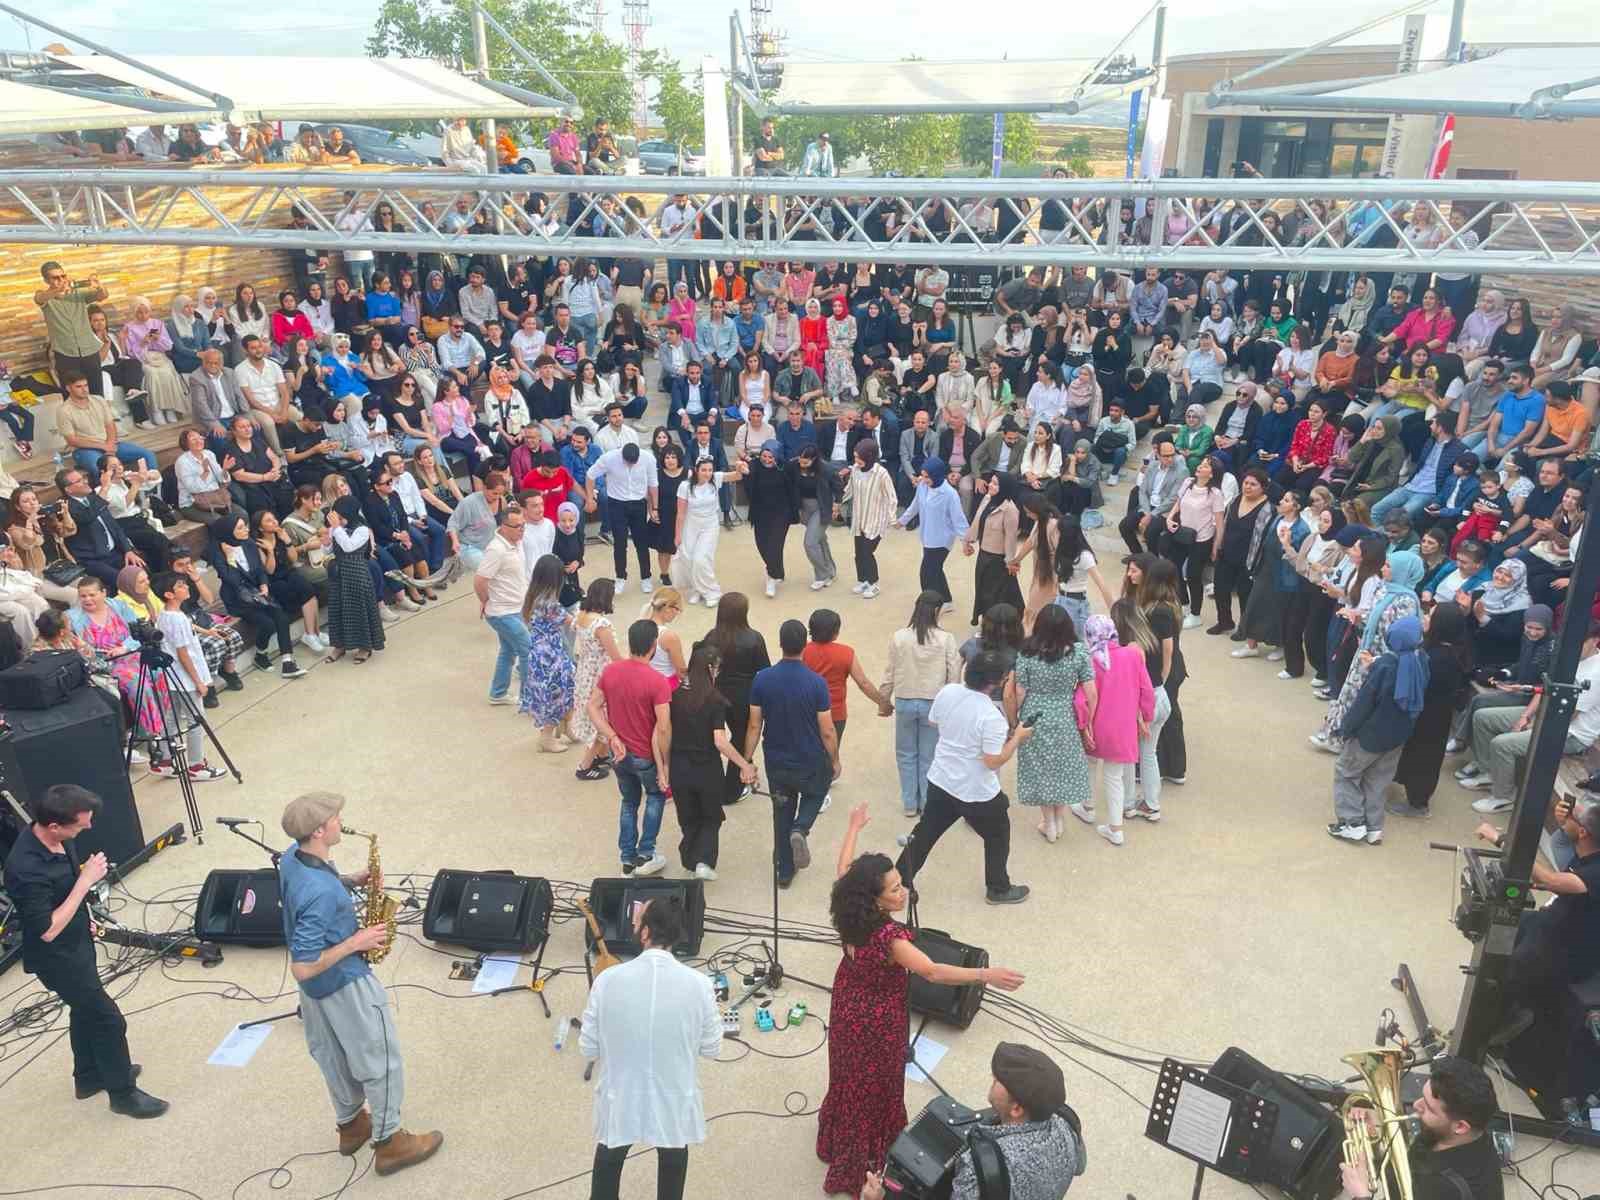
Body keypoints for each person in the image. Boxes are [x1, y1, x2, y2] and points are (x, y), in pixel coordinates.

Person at [820, 804, 1026, 1198]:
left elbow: (844, 865)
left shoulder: (849, 904)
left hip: (847, 1004)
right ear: (876, 900)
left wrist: (853, 826)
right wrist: (987, 974)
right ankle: (864, 1160)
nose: (903, 891)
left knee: (850, 1078)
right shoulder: (889, 939)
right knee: (874, 1084)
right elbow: (932, 971)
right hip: (877, 1018)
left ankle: (839, 1140)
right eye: (895, 889)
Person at [277, 793, 442, 1174]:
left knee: (332, 1055)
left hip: (316, 995)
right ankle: (391, 1142)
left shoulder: (293, 857)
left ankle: (352, 1125)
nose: (341, 822)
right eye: (336, 818)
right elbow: (302, 966)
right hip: (344, 981)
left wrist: (352, 880)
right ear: (320, 830)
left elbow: (312, 892)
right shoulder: (319, 892)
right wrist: (357, 941)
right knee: (381, 1058)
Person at [3, 784, 169, 1118]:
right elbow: (47, 930)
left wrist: (86, 917)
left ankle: (89, 1077)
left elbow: (63, 895)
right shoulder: (25, 869)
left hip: (78, 942)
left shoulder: (62, 839)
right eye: (80, 824)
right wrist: (86, 880)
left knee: (84, 1011)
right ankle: (123, 1094)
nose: (87, 828)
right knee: (107, 1019)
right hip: (57, 959)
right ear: (54, 826)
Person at [578, 895, 720, 1200]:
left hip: (621, 1096)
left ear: (645, 933)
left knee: (609, 1158)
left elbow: (588, 1047)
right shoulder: (700, 985)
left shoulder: (607, 981)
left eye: (637, 917)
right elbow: (711, 1048)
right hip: (674, 1096)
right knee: (673, 1155)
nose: (633, 920)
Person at [895, 644, 1033, 903]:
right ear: (996, 683)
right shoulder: (992, 717)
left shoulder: (948, 692)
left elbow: (935, 721)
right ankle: (998, 888)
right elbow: (993, 761)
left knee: (925, 832)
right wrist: (1018, 738)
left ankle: (898, 881)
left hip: (942, 779)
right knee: (997, 834)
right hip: (976, 790)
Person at [1457, 622, 1600, 814]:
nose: (1573, 647)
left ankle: (1504, 797)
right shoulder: (1570, 657)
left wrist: (1533, 725)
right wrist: (1526, 716)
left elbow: (1568, 715)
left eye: (1580, 642)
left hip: (1571, 734)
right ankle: (1489, 773)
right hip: (1548, 715)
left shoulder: (1596, 673)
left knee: (1502, 744)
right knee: (1483, 718)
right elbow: (1544, 689)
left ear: (1595, 641)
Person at [744, 620, 838, 887]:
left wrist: (747, 759)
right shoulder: (816, 683)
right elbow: (827, 729)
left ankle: (784, 872)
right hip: (809, 758)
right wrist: (834, 759)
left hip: (776, 758)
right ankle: (802, 827)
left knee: (781, 811)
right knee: (817, 791)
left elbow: (754, 724)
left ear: (780, 643)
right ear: (804, 645)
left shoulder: (762, 679)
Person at [1338, 1056, 1503, 1200]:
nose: (1416, 1105)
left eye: (1429, 1108)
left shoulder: (1438, 1188)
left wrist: (1361, 1194)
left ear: (1460, 1126)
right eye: (1423, 1096)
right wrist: (1379, 1126)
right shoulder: (1463, 1134)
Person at [1326, 616, 1428, 845]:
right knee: (1378, 780)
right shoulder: (1420, 659)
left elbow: (1364, 703)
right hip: (1398, 736)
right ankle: (1374, 828)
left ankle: (1351, 823)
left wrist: (1345, 729)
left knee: (1346, 772)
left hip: (1370, 736)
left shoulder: (1385, 666)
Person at [1003, 604, 1096, 845]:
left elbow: (1020, 691)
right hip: (1066, 715)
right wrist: (1089, 721)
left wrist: (1015, 721)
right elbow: (1091, 691)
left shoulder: (1026, 653)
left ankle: (1048, 822)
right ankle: (1059, 817)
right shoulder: (1078, 652)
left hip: (1035, 715)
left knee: (1041, 768)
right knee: (1063, 767)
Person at [589, 618, 674, 876]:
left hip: (620, 754)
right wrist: (665, 766)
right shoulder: (657, 681)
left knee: (629, 802)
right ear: (653, 646)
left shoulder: (612, 671)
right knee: (655, 797)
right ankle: (646, 853)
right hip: (646, 756)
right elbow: (663, 728)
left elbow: (592, 706)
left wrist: (611, 736)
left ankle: (627, 857)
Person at [669, 644, 758, 879]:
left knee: (688, 816)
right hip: (706, 768)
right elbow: (719, 740)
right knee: (711, 815)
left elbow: (663, 732)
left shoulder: (675, 696)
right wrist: (744, 764)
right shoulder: (714, 700)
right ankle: (704, 862)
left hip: (679, 767)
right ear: (711, 669)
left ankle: (689, 859)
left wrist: (662, 765)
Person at [894, 456, 969, 611]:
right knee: (935, 569)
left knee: (927, 573)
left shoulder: (949, 494)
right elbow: (915, 505)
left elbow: (958, 519)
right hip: (927, 535)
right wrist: (902, 521)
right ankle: (946, 601)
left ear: (937, 475)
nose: (923, 478)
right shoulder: (923, 485)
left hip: (942, 540)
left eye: (927, 476)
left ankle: (928, 603)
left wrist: (965, 541)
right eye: (923, 475)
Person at [520, 554, 575, 751]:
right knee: (556, 694)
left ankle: (567, 726)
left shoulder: (533, 596)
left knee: (568, 686)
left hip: (539, 652)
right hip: (550, 656)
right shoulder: (550, 603)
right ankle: (546, 737)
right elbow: (572, 622)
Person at [587, 442, 657, 595]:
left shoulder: (648, 459)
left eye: (634, 462)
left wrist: (654, 508)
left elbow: (653, 484)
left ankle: (646, 577)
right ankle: (620, 577)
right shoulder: (609, 458)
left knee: (641, 542)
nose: (631, 465)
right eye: (628, 462)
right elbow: (590, 475)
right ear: (622, 456)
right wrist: (590, 498)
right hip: (617, 504)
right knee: (620, 543)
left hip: (639, 503)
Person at [321, 497, 385, 663]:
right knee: (338, 609)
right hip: (339, 574)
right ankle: (339, 646)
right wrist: (325, 541)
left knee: (359, 609)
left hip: (357, 573)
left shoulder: (362, 529)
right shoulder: (335, 528)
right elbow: (328, 549)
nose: (338, 519)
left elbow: (349, 547)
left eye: (340, 516)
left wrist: (336, 528)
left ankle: (364, 647)